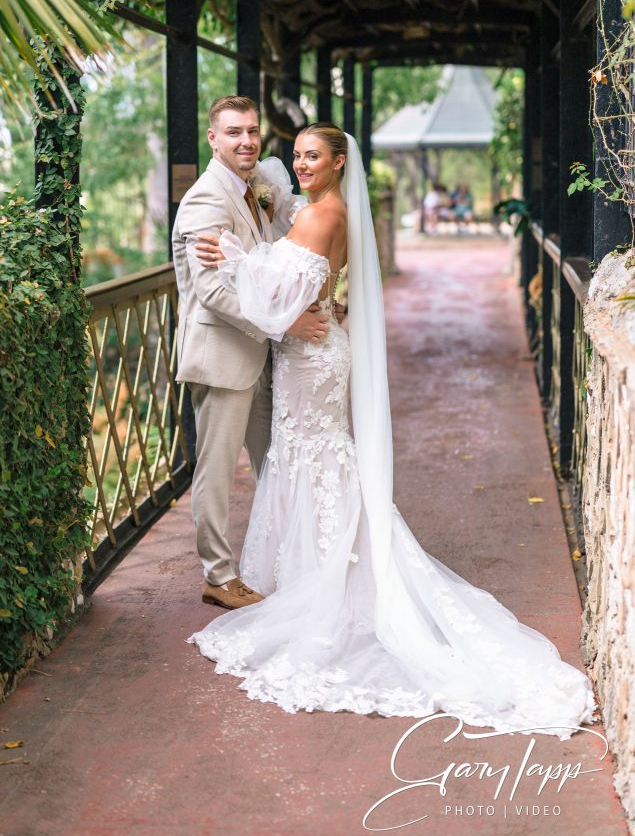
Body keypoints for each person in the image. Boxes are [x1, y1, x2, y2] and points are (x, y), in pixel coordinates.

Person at [186, 123, 596, 739]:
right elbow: (291, 284)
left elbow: (277, 301)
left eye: (312, 156)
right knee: (306, 456)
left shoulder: (322, 216)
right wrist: (263, 245)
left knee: (316, 458)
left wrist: (238, 257)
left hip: (312, 355)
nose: (299, 165)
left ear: (338, 161)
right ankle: (310, 571)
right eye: (295, 155)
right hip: (314, 351)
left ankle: (334, 580)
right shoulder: (315, 208)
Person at [171, 96, 329, 612]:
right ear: (212, 138)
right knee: (216, 470)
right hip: (223, 354)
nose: (247, 141)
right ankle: (218, 575)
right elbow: (214, 293)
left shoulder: (252, 188)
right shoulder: (206, 201)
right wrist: (287, 321)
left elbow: (266, 266)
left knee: (276, 461)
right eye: (234, 132)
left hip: (261, 352)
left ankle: (285, 558)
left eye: (253, 132)